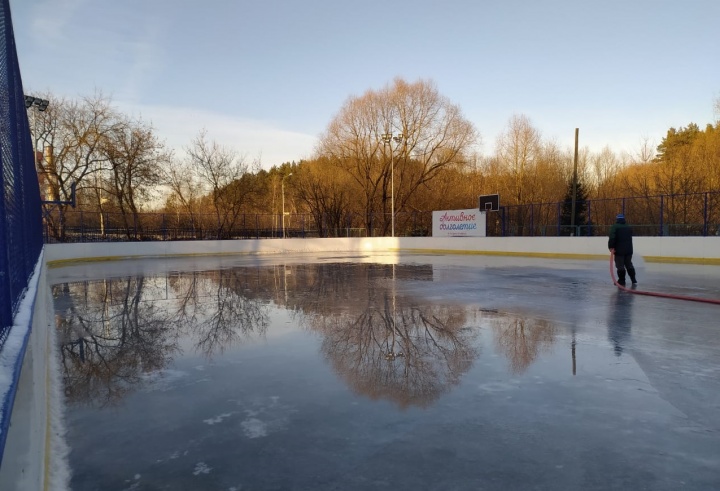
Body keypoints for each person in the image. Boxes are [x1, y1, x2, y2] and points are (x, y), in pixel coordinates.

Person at [608, 213, 637, 286]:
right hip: (629, 250)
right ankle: (633, 279)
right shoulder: (629, 227)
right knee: (629, 264)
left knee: (620, 266)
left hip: (619, 250)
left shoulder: (614, 227)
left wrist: (611, 247)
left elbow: (612, 238)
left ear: (617, 219)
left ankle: (622, 281)